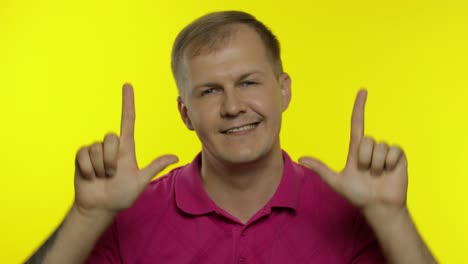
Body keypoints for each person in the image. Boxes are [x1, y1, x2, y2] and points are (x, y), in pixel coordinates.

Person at [26, 10, 436, 263]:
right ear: (185, 113)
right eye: (209, 91)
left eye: (248, 82)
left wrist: (392, 217)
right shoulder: (126, 215)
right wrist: (86, 217)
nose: (233, 106)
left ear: (285, 90)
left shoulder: (348, 213)